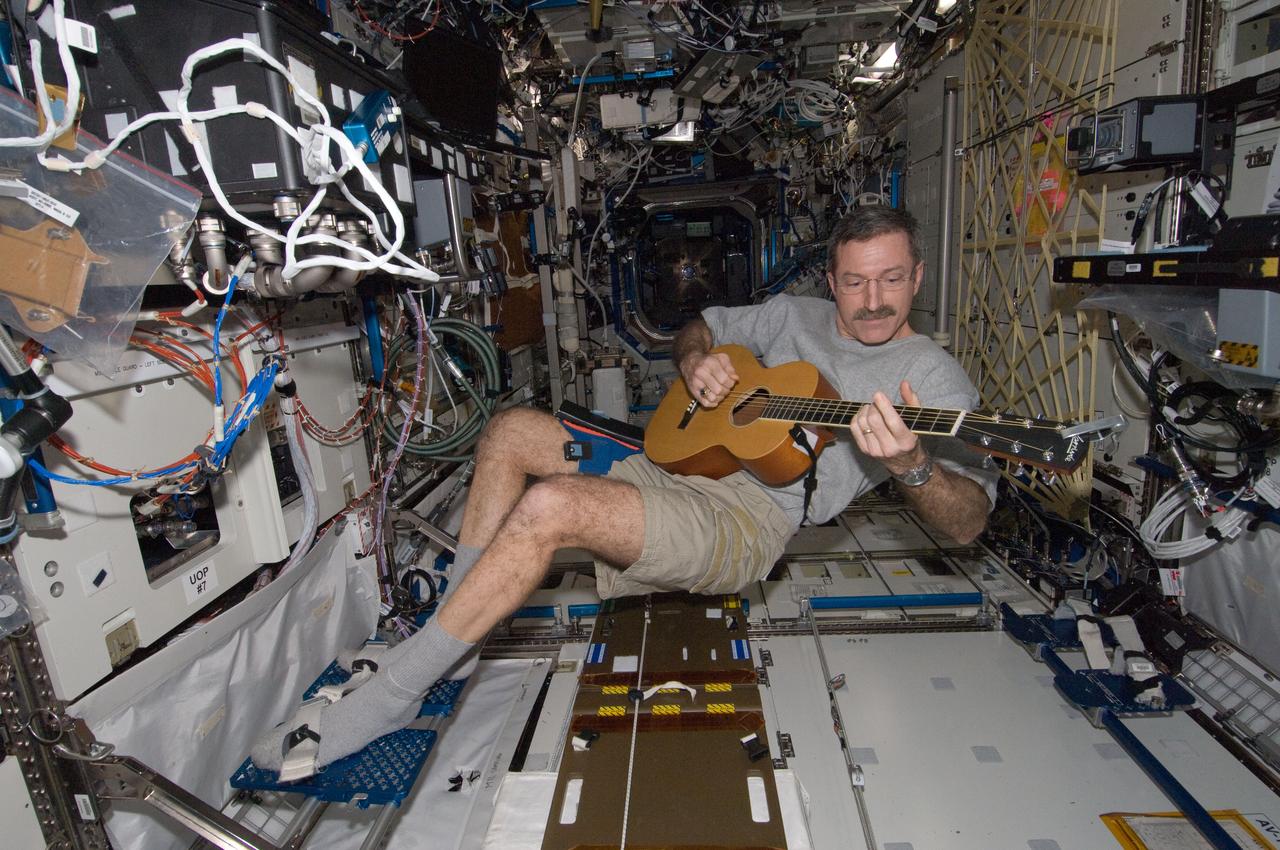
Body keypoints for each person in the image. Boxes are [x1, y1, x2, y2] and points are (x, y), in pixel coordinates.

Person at [252, 205, 997, 774]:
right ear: (831, 279)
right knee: (508, 433)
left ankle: (393, 696)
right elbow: (699, 324)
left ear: (919, 276)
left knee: (551, 507)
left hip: (745, 524)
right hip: (684, 458)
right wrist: (698, 362)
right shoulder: (793, 314)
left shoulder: (931, 381)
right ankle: (446, 638)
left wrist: (914, 468)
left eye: (892, 279)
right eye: (857, 281)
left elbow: (967, 522)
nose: (872, 301)